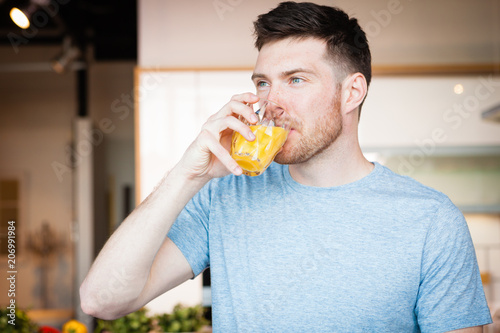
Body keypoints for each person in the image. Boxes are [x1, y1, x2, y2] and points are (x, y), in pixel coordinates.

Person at [80, 2, 492, 331]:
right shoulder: (225, 196)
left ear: (352, 92)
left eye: (296, 80)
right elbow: (102, 300)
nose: (270, 102)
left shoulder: (431, 219)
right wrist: (189, 174)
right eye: (263, 82)